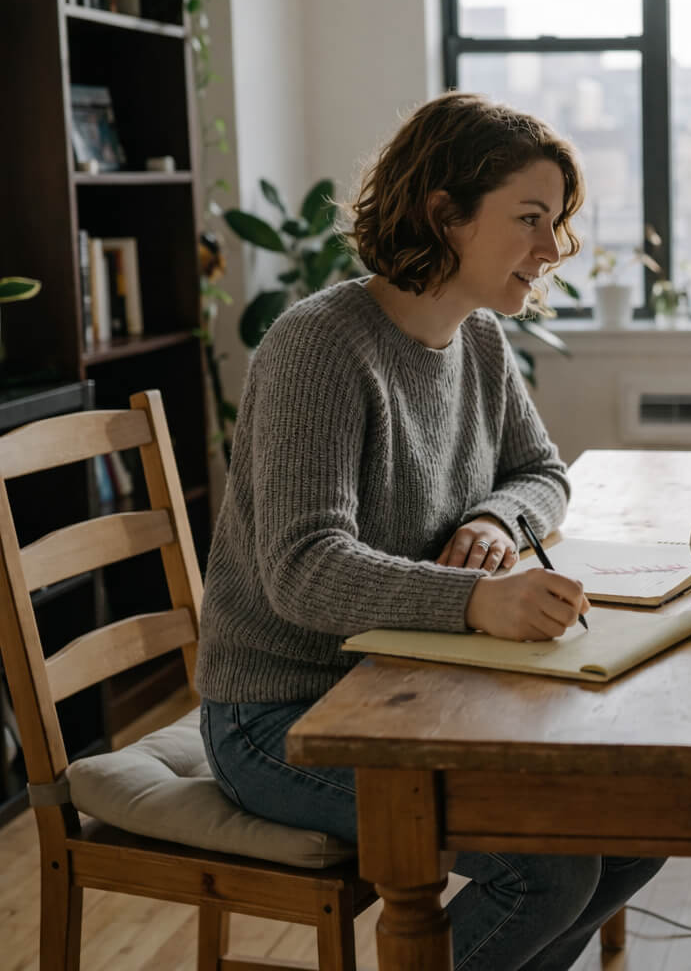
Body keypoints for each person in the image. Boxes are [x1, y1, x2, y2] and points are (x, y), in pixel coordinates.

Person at [196, 92, 664, 971]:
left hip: (416, 687)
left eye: (558, 223)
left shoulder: (479, 340)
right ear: (443, 213)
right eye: (531, 219)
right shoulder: (319, 348)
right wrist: (477, 601)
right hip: (284, 714)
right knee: (550, 871)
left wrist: (496, 515)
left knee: (638, 824)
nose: (554, 249)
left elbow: (544, 474)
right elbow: (304, 570)